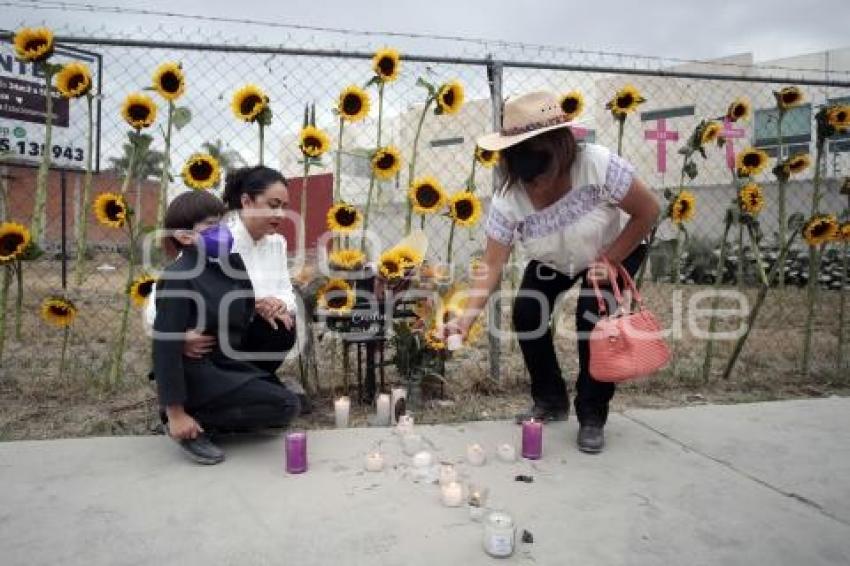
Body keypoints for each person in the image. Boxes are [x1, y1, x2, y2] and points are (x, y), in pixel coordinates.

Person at [445, 91, 660, 453]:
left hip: (615, 246)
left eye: (542, 172)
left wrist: (610, 261)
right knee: (528, 311)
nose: (537, 186)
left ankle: (592, 413)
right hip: (554, 259)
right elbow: (493, 264)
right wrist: (465, 319)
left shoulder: (597, 165)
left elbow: (649, 211)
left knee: (592, 318)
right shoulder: (508, 198)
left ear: (561, 150)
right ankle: (550, 398)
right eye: (527, 179)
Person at [152, 190, 301, 465]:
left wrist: (259, 305)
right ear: (185, 236)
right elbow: (164, 349)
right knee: (285, 405)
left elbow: (233, 302)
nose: (220, 230)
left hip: (225, 359)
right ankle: (185, 422)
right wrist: (175, 412)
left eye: (221, 222)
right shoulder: (178, 277)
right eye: (210, 225)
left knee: (288, 399)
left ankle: (241, 393)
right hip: (198, 371)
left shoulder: (229, 263)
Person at [146, 165, 305, 402]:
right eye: (273, 205)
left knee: (282, 327)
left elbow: (286, 291)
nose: (281, 215)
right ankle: (231, 389)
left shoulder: (276, 243)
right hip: (214, 340)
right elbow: (156, 304)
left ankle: (252, 384)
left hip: (247, 330)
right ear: (247, 201)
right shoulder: (216, 238)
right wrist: (178, 338)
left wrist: (276, 304)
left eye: (284, 207)